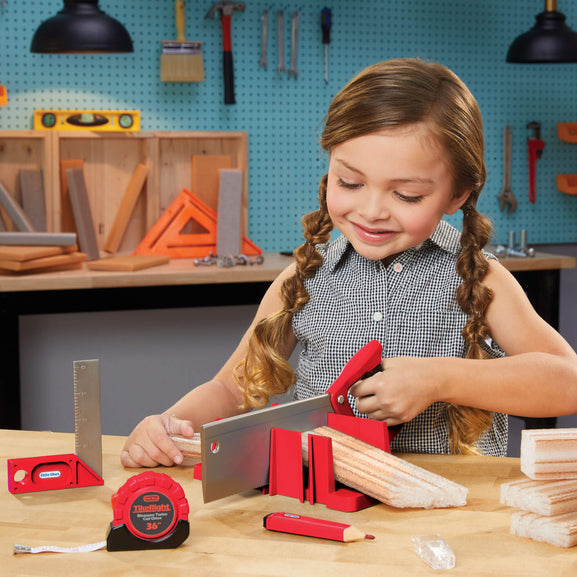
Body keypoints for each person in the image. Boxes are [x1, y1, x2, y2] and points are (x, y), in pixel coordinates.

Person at [122, 58, 577, 467]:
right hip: (322, 510)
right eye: (350, 182)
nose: (372, 210)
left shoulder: (479, 280)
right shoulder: (302, 279)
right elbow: (230, 389)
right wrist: (168, 424)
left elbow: (567, 381)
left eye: (407, 194)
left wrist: (440, 378)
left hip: (450, 526)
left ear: (457, 194)